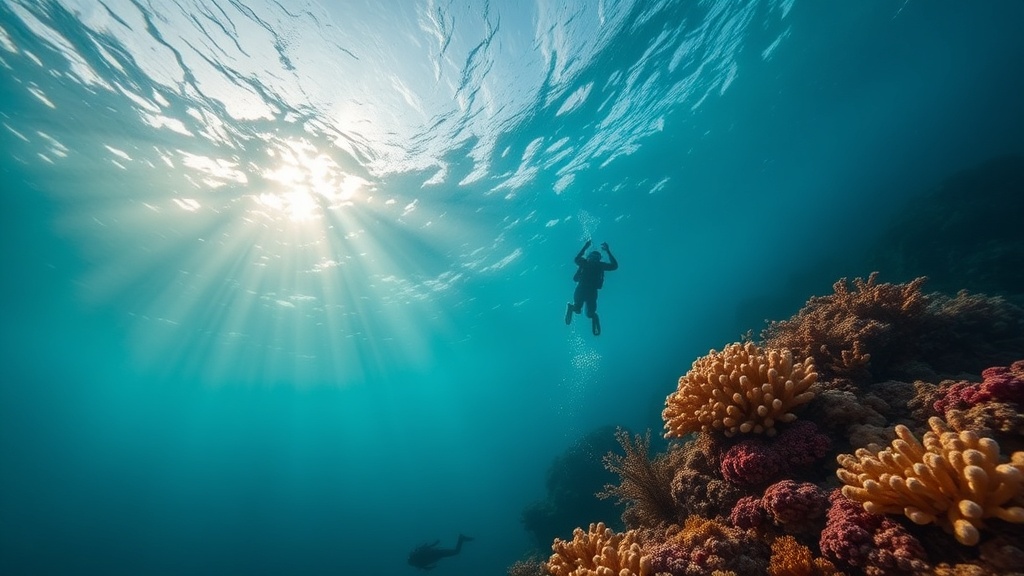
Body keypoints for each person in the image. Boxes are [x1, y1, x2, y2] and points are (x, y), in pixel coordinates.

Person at [565, 239, 618, 335]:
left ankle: (574, 308)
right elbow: (614, 266)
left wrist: (586, 246)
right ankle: (576, 309)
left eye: (596, 257)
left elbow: (576, 259)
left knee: (584, 312)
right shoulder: (596, 265)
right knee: (583, 311)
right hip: (588, 291)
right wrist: (607, 251)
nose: (594, 259)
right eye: (593, 257)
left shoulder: (589, 263)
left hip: (585, 290)